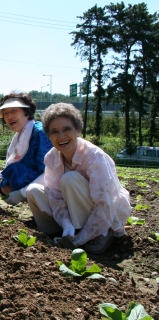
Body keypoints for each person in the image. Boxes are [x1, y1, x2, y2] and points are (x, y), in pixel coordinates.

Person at [28, 103, 131, 254]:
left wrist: (82, 238)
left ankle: (102, 233)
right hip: (74, 210)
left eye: (66, 129)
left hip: (106, 212)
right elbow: (55, 197)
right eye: (54, 131)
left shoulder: (94, 156)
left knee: (70, 179)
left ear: (77, 129)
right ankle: (62, 231)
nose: (61, 136)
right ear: (49, 136)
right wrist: (66, 224)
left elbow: (105, 203)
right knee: (34, 191)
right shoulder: (51, 157)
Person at [0, 92, 53, 207]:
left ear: (26, 112)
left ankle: (50, 214)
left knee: (13, 179)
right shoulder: (21, 135)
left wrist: (21, 193)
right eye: (6, 113)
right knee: (6, 187)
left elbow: (50, 173)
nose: (9, 116)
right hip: (39, 184)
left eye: (14, 110)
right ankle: (39, 211)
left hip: (56, 186)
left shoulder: (39, 133)